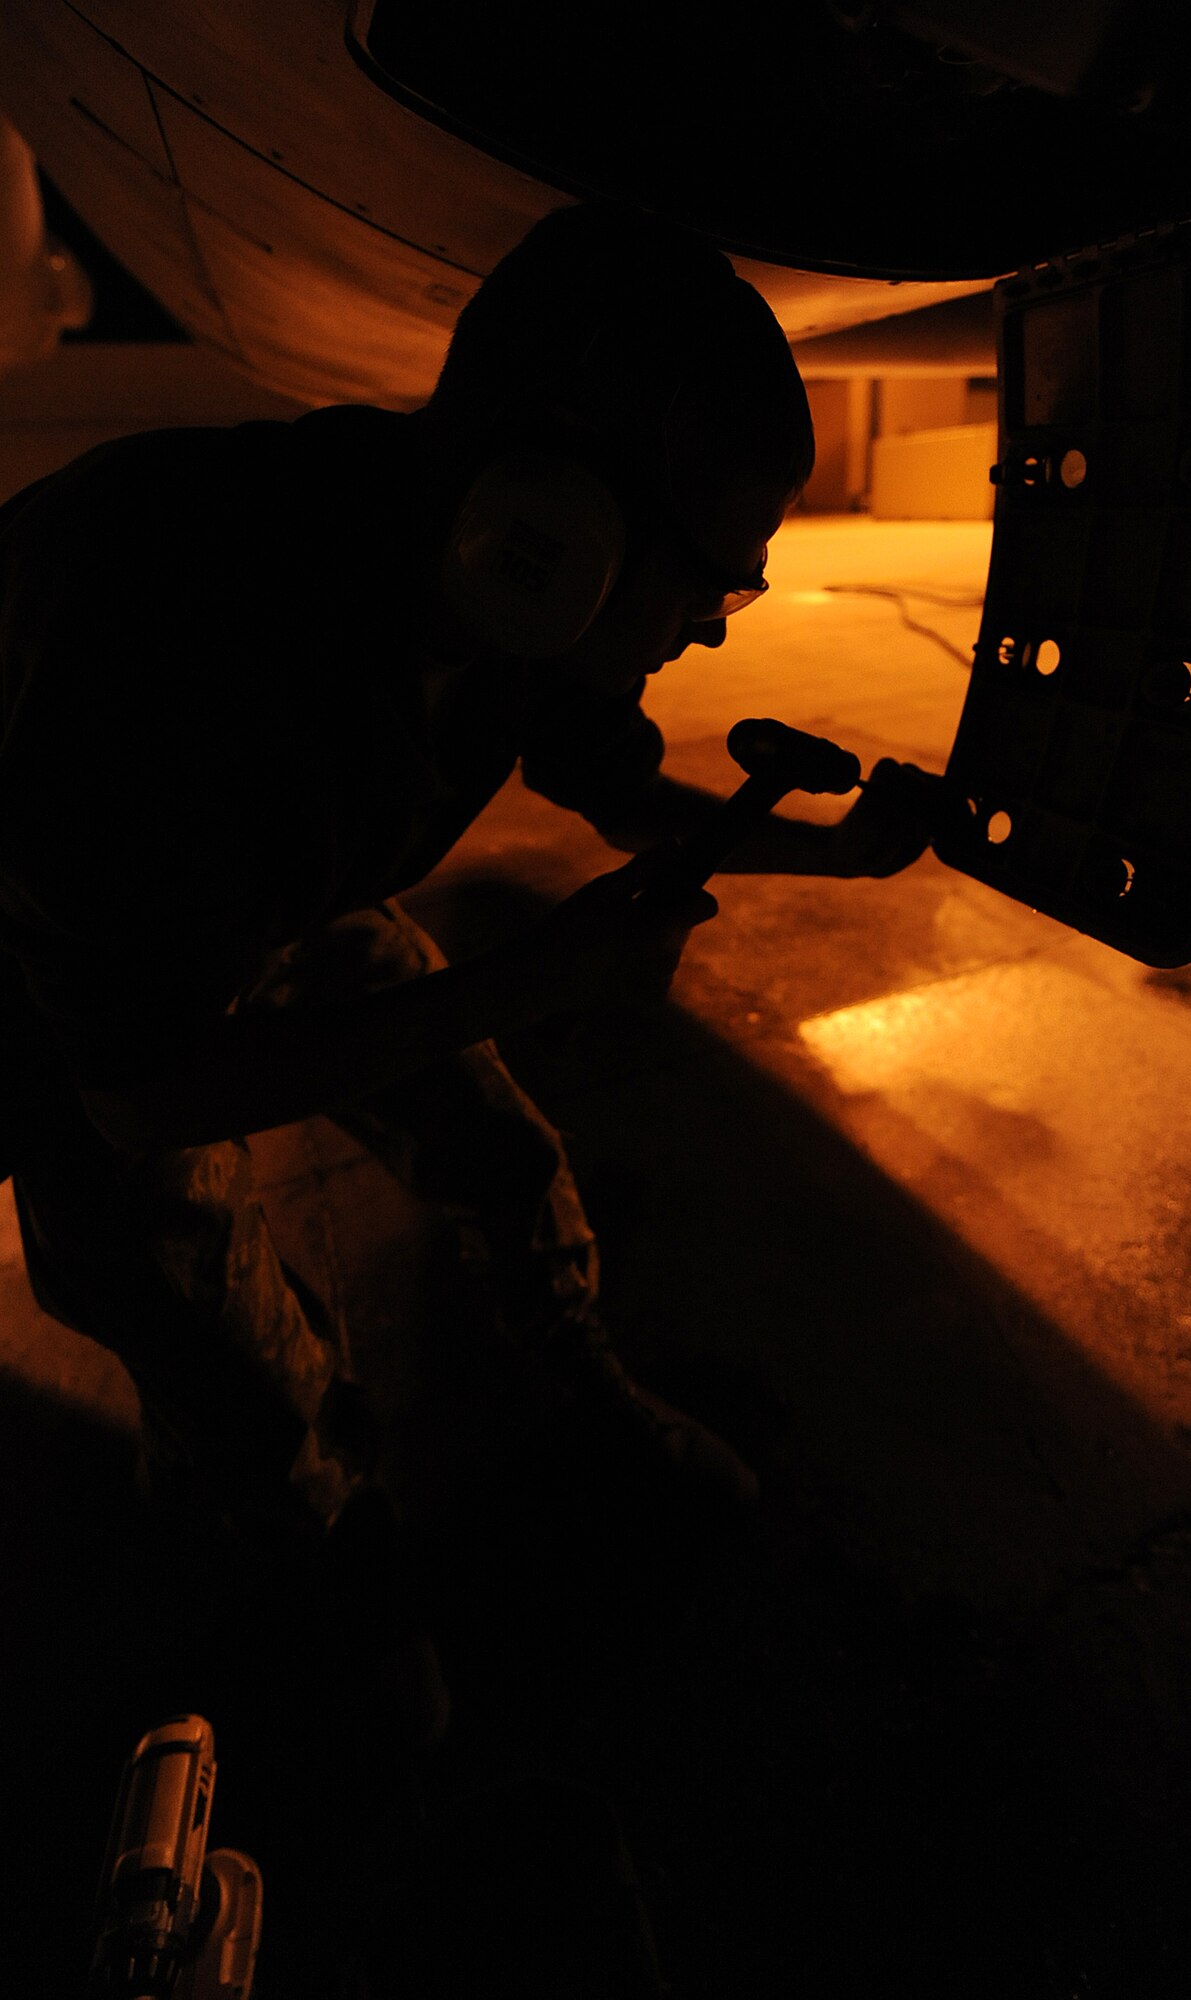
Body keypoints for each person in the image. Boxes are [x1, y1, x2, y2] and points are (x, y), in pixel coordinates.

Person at [0, 203, 940, 1737]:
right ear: (554, 523)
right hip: (48, 996)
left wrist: (838, 852)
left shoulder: (498, 580)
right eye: (714, 575)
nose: (714, 627)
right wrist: (532, 982)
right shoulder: (163, 626)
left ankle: (571, 1374)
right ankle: (313, 1564)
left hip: (245, 899)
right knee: (208, 1312)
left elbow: (618, 792)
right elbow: (142, 1084)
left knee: (500, 1148)